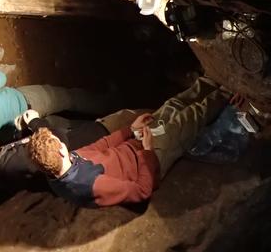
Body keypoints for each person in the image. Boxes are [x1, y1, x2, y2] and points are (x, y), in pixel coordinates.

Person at [27, 77, 229, 207]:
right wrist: (147, 152)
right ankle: (225, 94)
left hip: (135, 144)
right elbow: (141, 191)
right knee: (186, 120)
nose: (62, 141)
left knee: (171, 106)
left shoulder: (61, 167)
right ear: (61, 152)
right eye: (58, 141)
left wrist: (130, 130)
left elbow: (102, 145)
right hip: (151, 158)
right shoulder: (90, 185)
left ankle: (208, 83)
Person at [0, 110, 111, 192]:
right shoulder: (13, 164)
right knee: (121, 122)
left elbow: (18, 151)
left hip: (76, 145)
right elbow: (56, 145)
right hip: (86, 145)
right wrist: (35, 122)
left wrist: (22, 134)